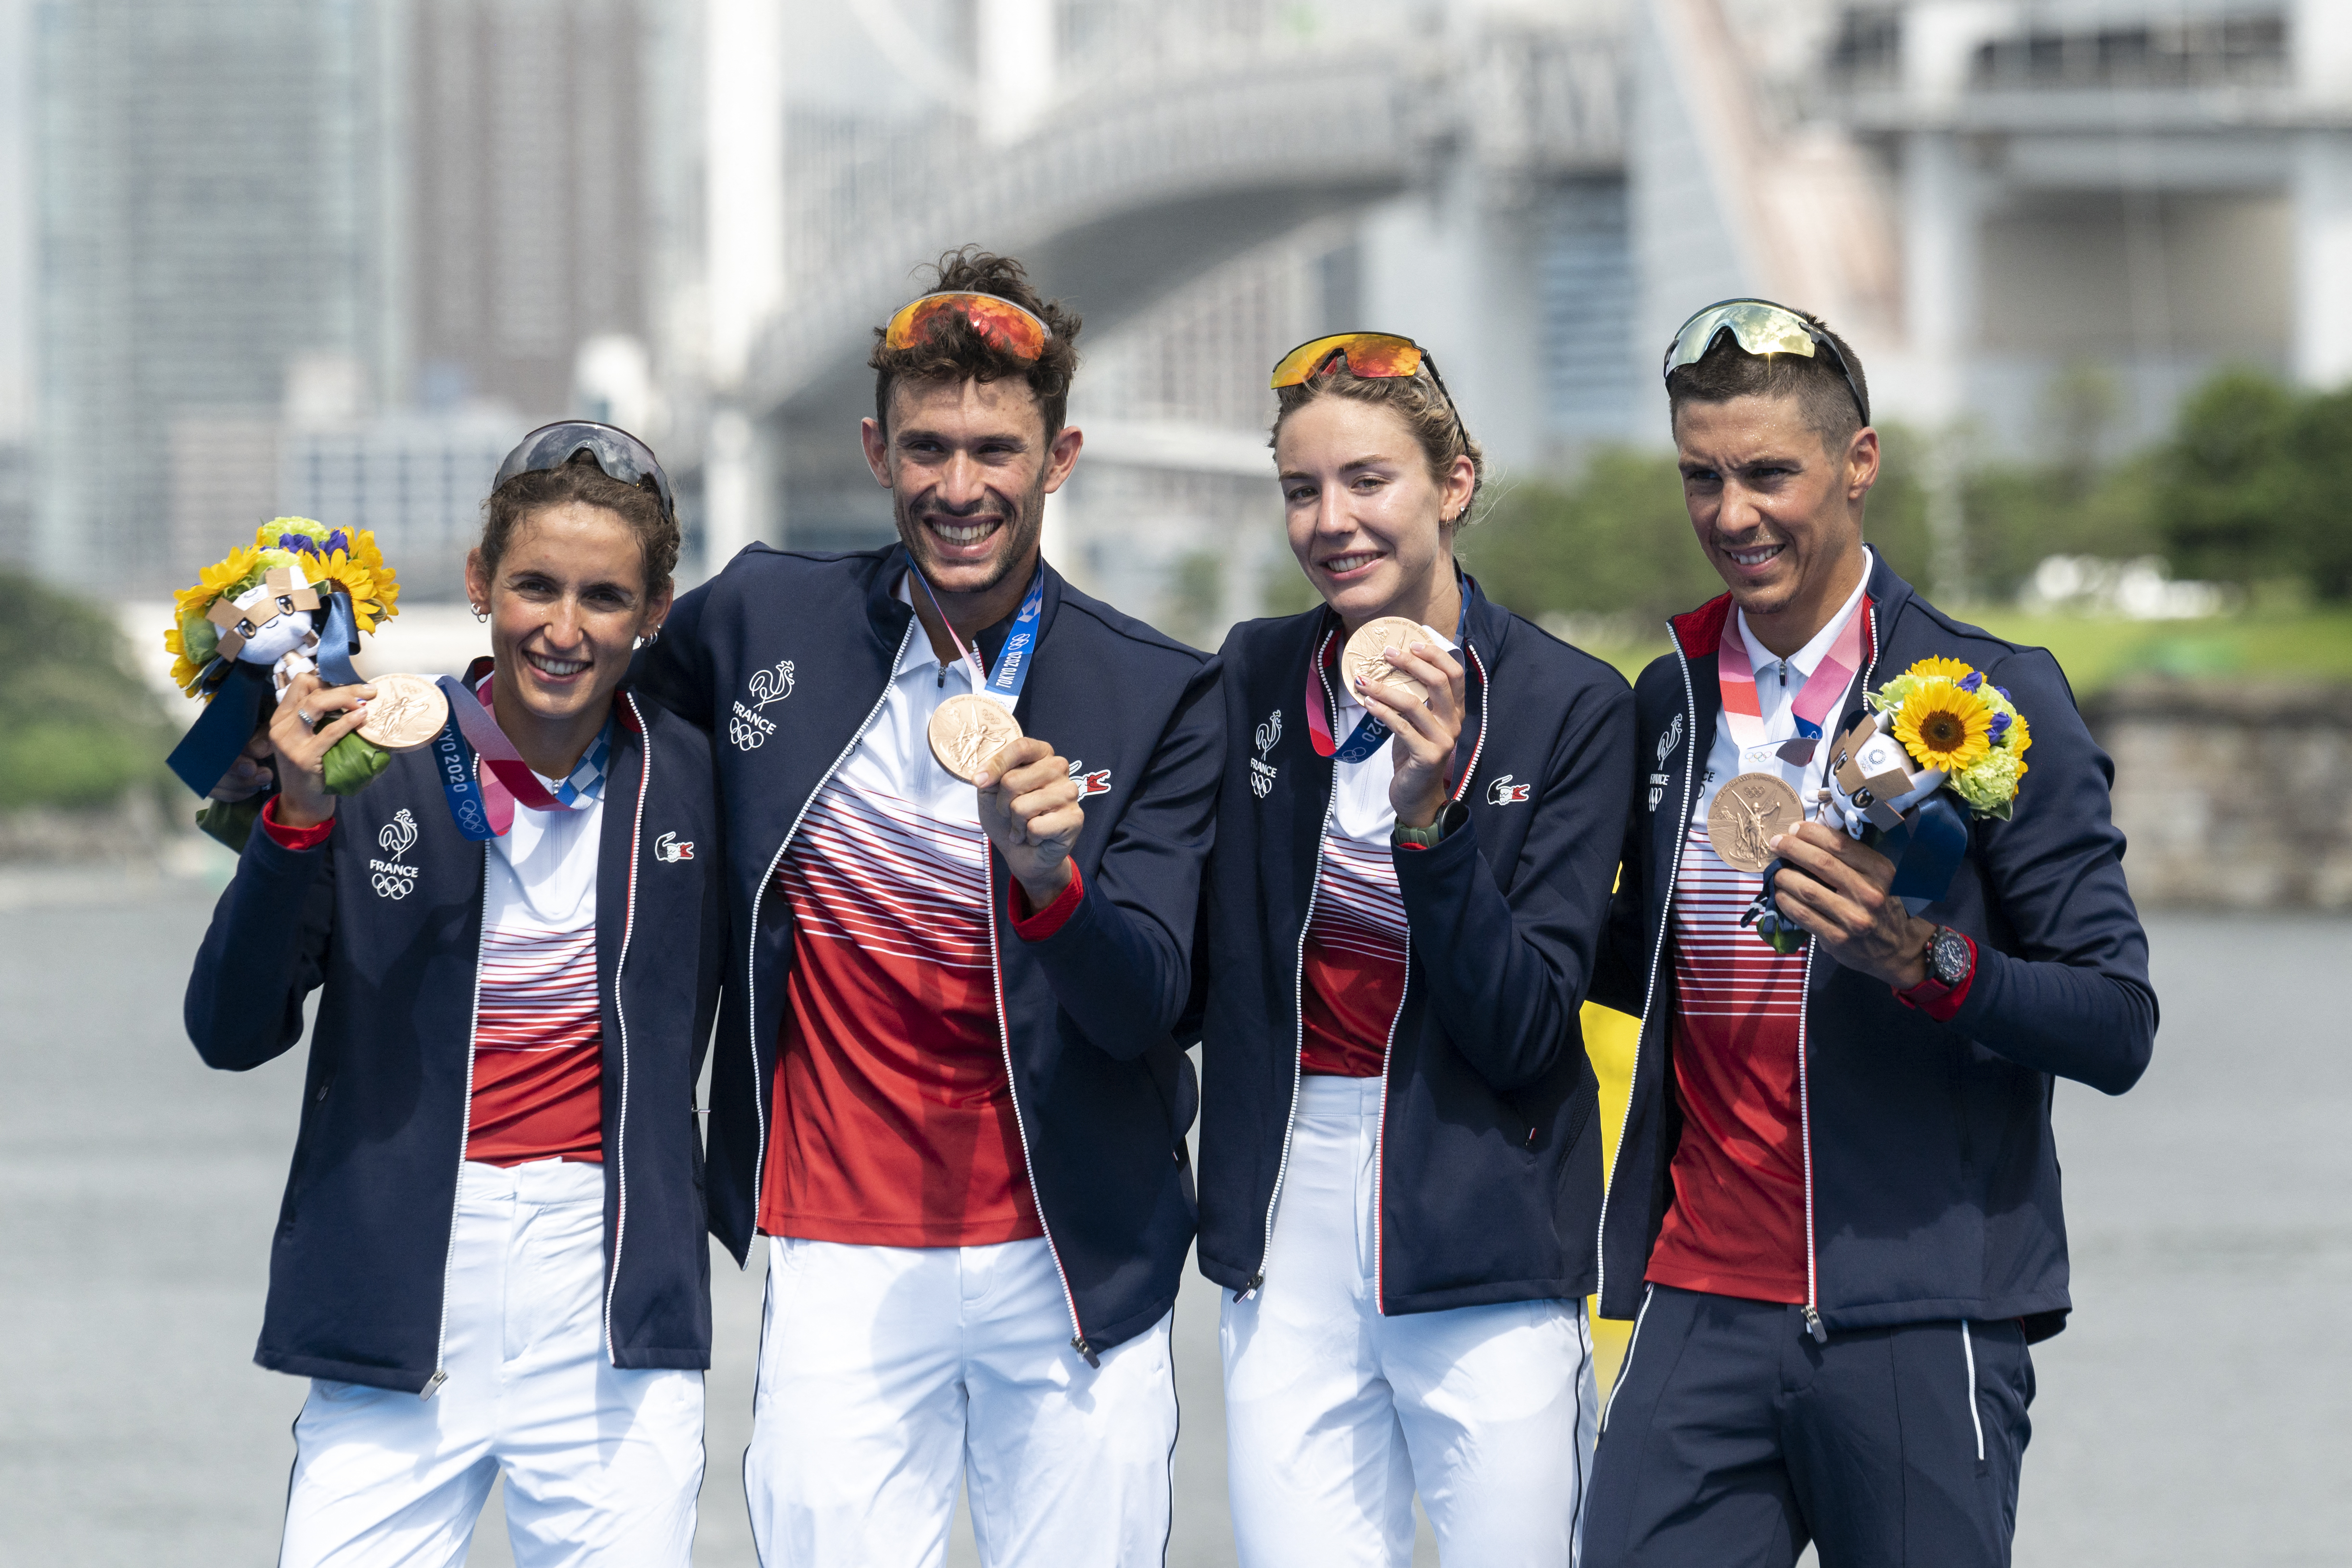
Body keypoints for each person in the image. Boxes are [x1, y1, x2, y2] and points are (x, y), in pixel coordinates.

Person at [633, 249, 1221, 1565]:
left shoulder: (1162, 692)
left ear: (1059, 455)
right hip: (840, 1262)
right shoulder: (757, 618)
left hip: (1074, 1259)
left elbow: (1149, 1010)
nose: (960, 488)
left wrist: (1047, 884)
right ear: (873, 448)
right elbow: (572, 726)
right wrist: (270, 774)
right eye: (927, 447)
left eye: (996, 450)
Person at [1582, 301, 2157, 1566]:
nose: (1731, 514)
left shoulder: (1994, 694)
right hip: (1696, 1299)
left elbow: (2118, 1024)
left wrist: (1925, 961)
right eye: (1701, 475)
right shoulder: (1662, 694)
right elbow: (1626, 959)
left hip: (1919, 1308)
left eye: (1768, 473)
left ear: (1859, 464)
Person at [184, 424, 723, 1566]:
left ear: (655, 611)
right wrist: (292, 817)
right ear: (480, 585)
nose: (564, 629)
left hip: (614, 1313)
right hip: (399, 1296)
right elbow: (231, 1033)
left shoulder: (700, 777)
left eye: (603, 597)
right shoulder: (367, 755)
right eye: (534, 585)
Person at [1191, 332, 1635, 1566]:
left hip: (1484, 1225)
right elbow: (1174, 957)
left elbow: (1528, 1027)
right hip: (1282, 1227)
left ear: (1455, 484)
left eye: (1368, 481)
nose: (1332, 521)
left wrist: (1430, 824)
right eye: (1301, 489)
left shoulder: (1569, 704)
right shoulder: (1250, 676)